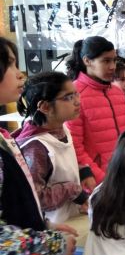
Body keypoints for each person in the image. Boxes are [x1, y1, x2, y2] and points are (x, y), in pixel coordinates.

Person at [0, 37, 76, 255]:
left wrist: (42, 225)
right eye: (10, 65)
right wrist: (52, 245)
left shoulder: (3, 137)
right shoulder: (34, 144)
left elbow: (13, 203)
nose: (19, 74)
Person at [14, 71, 92, 223]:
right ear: (45, 107)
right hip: (53, 228)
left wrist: (83, 171)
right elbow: (36, 198)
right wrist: (72, 190)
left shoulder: (62, 130)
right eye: (68, 97)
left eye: (76, 94)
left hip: (71, 219)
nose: (77, 102)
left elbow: (59, 167)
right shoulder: (35, 147)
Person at [65, 36, 125, 187]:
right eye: (106, 61)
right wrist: (103, 179)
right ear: (87, 61)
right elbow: (75, 146)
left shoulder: (117, 92)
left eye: (114, 60)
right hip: (98, 182)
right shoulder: (74, 93)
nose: (113, 66)